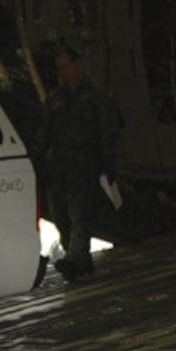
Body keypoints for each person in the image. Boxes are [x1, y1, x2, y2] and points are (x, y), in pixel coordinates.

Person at [35, 46, 119, 280]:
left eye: (66, 66)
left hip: (84, 166)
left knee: (79, 215)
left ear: (77, 64)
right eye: (59, 68)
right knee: (61, 215)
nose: (63, 72)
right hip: (60, 167)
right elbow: (44, 132)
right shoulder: (56, 100)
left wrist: (108, 164)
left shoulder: (96, 98)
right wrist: (37, 160)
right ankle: (81, 258)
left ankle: (74, 259)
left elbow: (107, 132)